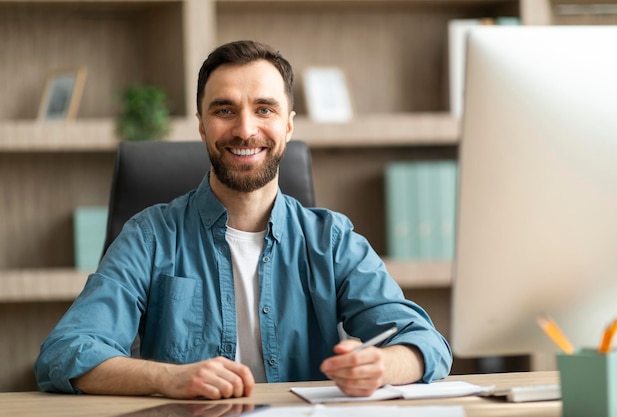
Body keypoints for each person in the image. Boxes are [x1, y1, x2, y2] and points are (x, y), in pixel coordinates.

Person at [35, 40, 452, 400]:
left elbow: (426, 343)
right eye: (225, 110)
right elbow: (66, 351)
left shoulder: (332, 239)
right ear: (201, 126)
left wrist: (383, 365)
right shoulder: (149, 236)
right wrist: (170, 378)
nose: (245, 129)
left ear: (288, 127)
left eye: (264, 109)